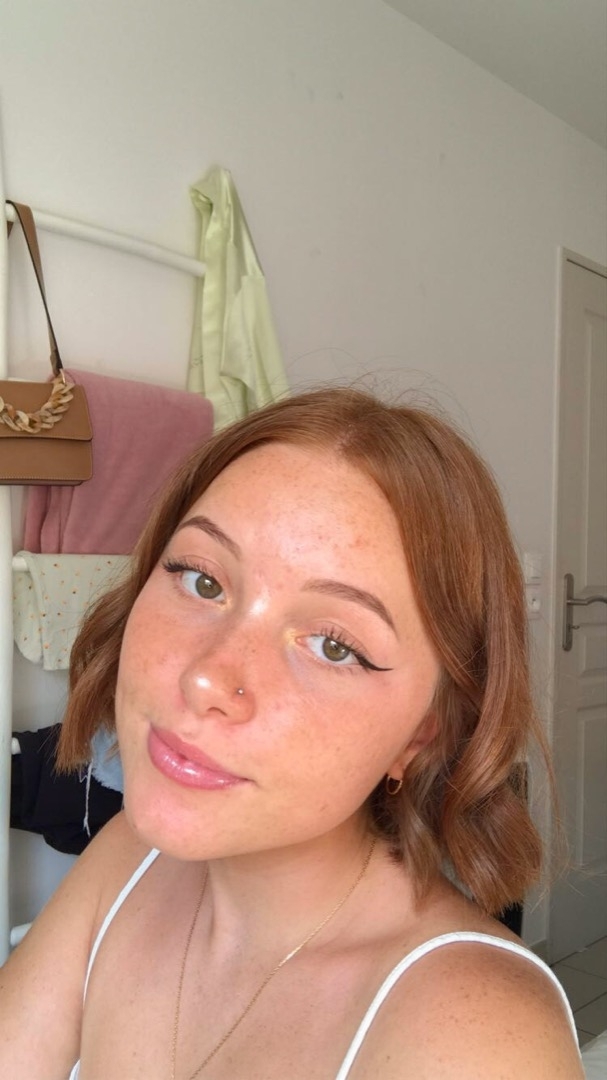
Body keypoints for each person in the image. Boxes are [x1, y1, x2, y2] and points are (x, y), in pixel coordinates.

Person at [0, 386, 583, 1078]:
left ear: (422, 735)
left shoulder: (477, 1041)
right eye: (202, 580)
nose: (206, 678)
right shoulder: (130, 856)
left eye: (334, 646)